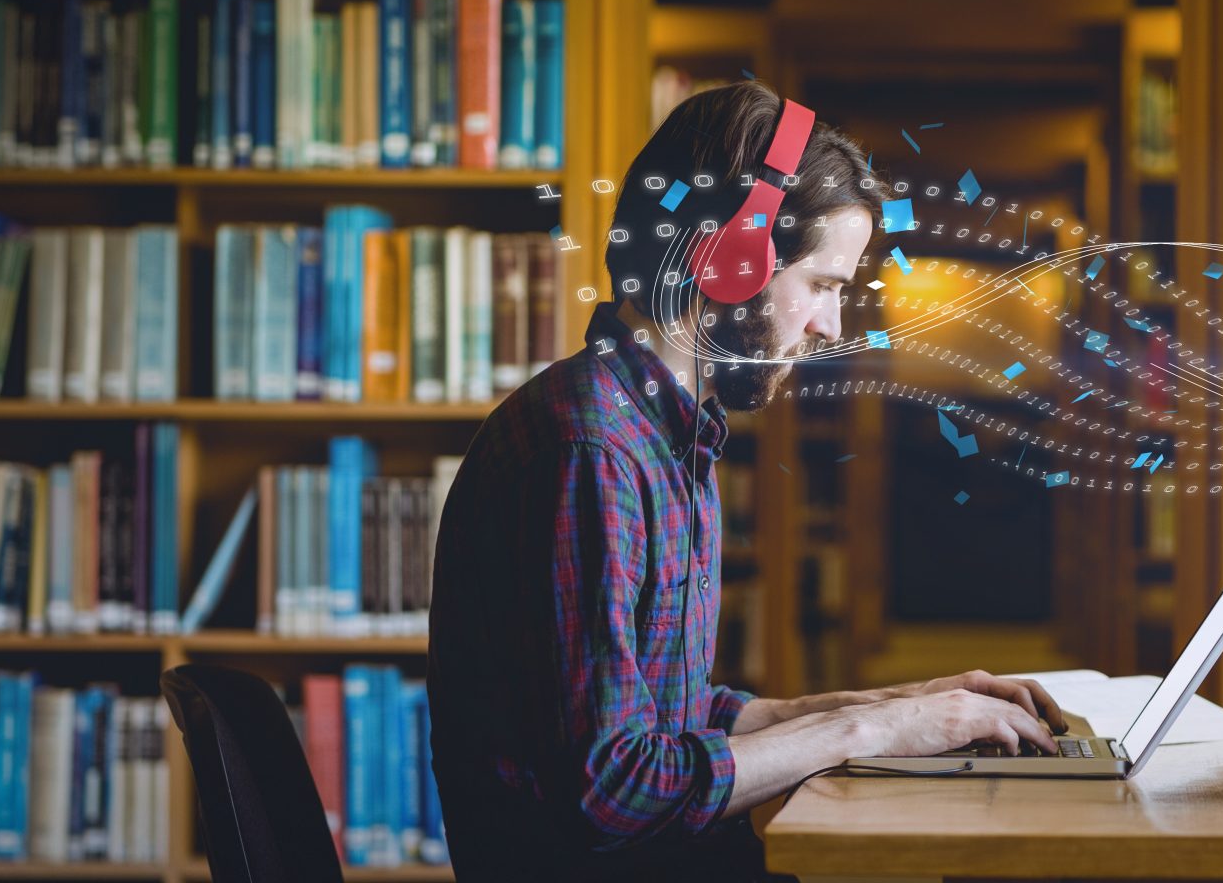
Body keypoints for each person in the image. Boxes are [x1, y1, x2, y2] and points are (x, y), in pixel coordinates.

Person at [428, 82, 1066, 881]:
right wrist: (866, 735)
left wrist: (901, 707)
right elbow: (612, 789)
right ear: (732, 261)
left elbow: (674, 719)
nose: (831, 326)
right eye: (825, 285)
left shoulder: (662, 433)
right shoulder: (589, 449)